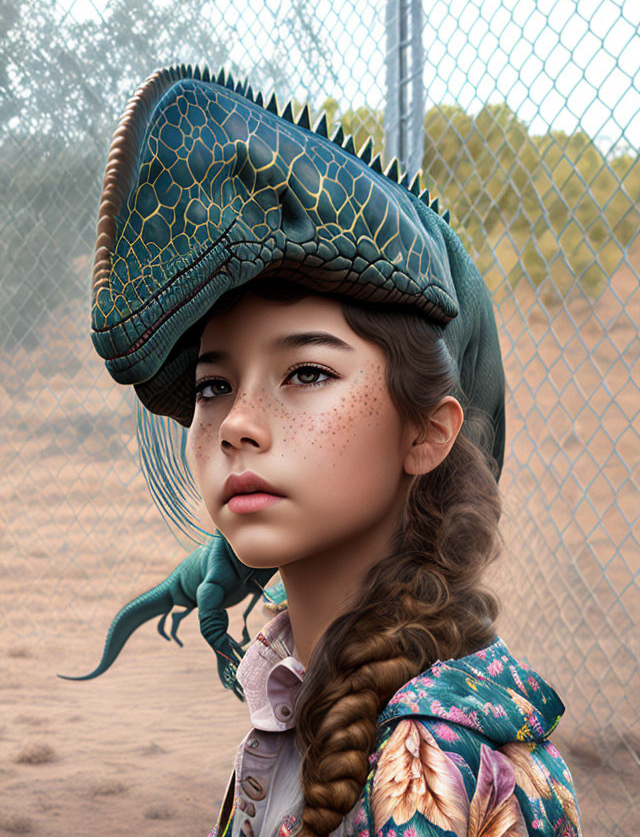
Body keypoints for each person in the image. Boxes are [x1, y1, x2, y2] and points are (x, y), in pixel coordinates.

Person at [89, 65, 583, 837]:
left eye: (308, 372)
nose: (236, 424)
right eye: (214, 386)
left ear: (426, 432)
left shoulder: (431, 772)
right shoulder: (293, 683)